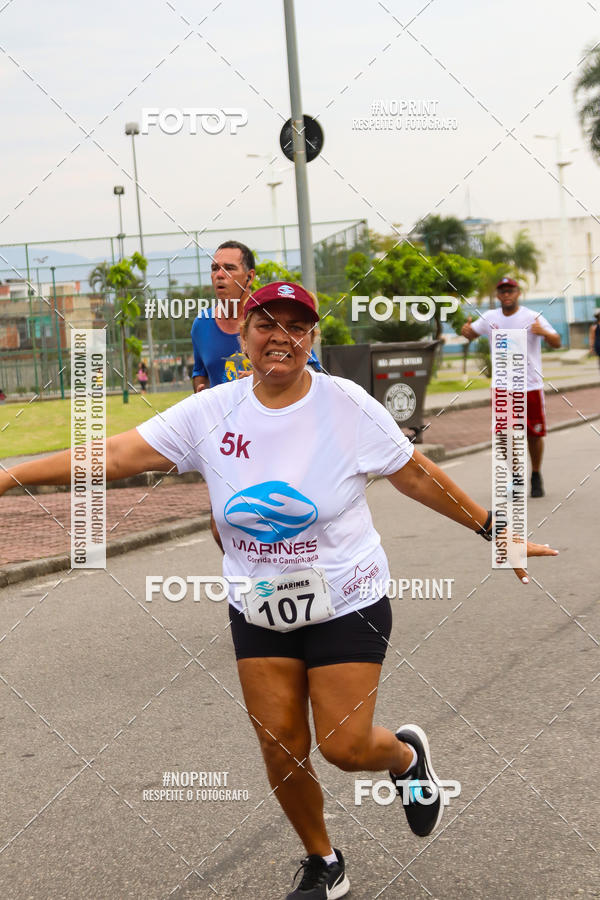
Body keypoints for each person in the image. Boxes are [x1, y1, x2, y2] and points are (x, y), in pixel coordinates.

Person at [0, 281, 558, 900]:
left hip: (347, 594)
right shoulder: (211, 411)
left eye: (296, 326)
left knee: (344, 747)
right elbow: (115, 453)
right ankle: (323, 859)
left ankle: (403, 759)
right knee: (281, 748)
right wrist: (8, 476)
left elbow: (416, 476)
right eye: (267, 324)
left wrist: (495, 531)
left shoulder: (345, 405)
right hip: (257, 603)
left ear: (312, 338)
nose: (281, 337)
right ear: (243, 334)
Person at [461, 276, 561, 498]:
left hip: (529, 386)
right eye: (503, 291)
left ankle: (535, 475)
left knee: (533, 435)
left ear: (518, 293)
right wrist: (466, 330)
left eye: (510, 290)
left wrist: (543, 333)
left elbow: (557, 342)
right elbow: (471, 332)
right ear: (498, 295)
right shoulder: (489, 317)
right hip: (502, 387)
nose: (506, 294)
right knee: (504, 435)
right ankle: (516, 478)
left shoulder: (532, 317)